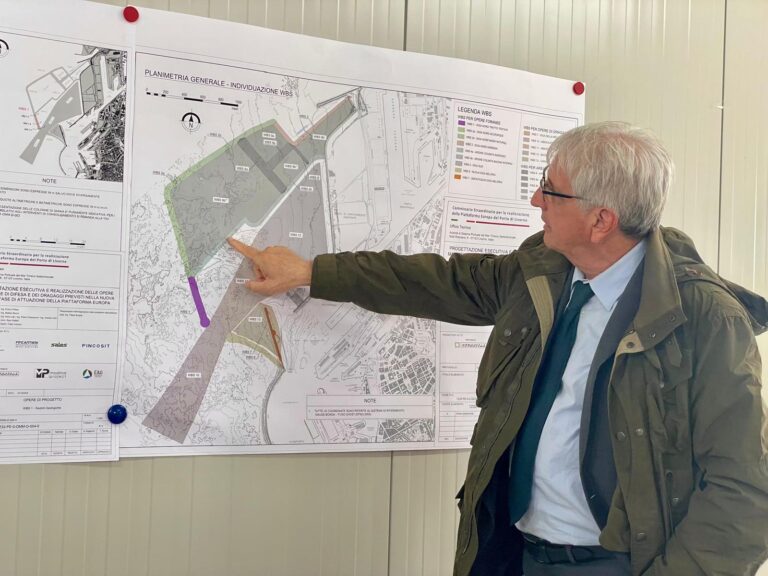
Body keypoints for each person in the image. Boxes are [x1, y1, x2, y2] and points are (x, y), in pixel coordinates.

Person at [227, 122, 768, 576]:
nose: (536, 200)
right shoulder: (544, 270)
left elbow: (743, 489)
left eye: (551, 191)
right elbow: (441, 283)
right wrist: (313, 272)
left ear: (601, 220)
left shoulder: (704, 319)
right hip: (518, 555)